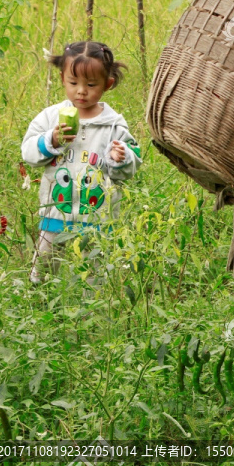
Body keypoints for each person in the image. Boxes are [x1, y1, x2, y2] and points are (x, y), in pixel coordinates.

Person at [21, 41, 143, 284]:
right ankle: (37, 301)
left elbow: (131, 163)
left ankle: (93, 311)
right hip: (56, 213)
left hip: (96, 218)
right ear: (62, 79)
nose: (81, 91)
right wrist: (51, 140)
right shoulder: (50, 117)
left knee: (95, 274)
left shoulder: (113, 125)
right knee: (44, 266)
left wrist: (121, 158)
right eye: (73, 83)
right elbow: (28, 152)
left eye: (90, 85)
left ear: (107, 84)